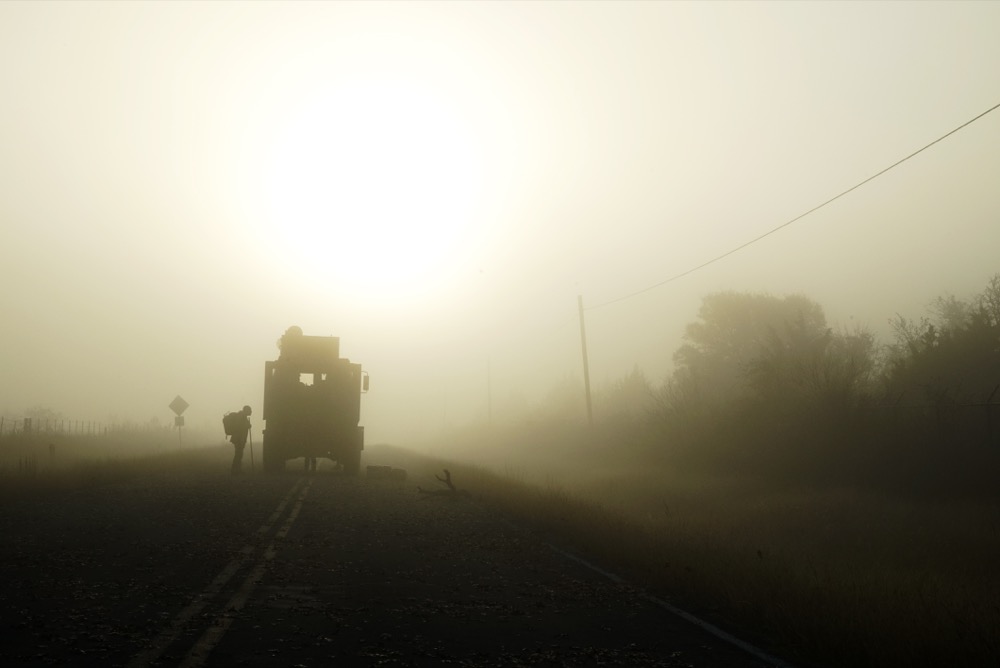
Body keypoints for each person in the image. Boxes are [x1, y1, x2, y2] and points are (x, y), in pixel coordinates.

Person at [229, 405, 252, 474]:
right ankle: (235, 470)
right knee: (238, 454)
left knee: (239, 454)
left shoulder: (242, 416)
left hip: (238, 438)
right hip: (239, 439)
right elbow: (240, 427)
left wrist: (247, 425)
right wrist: (247, 425)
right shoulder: (241, 417)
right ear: (246, 410)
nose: (251, 412)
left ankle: (236, 470)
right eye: (250, 410)